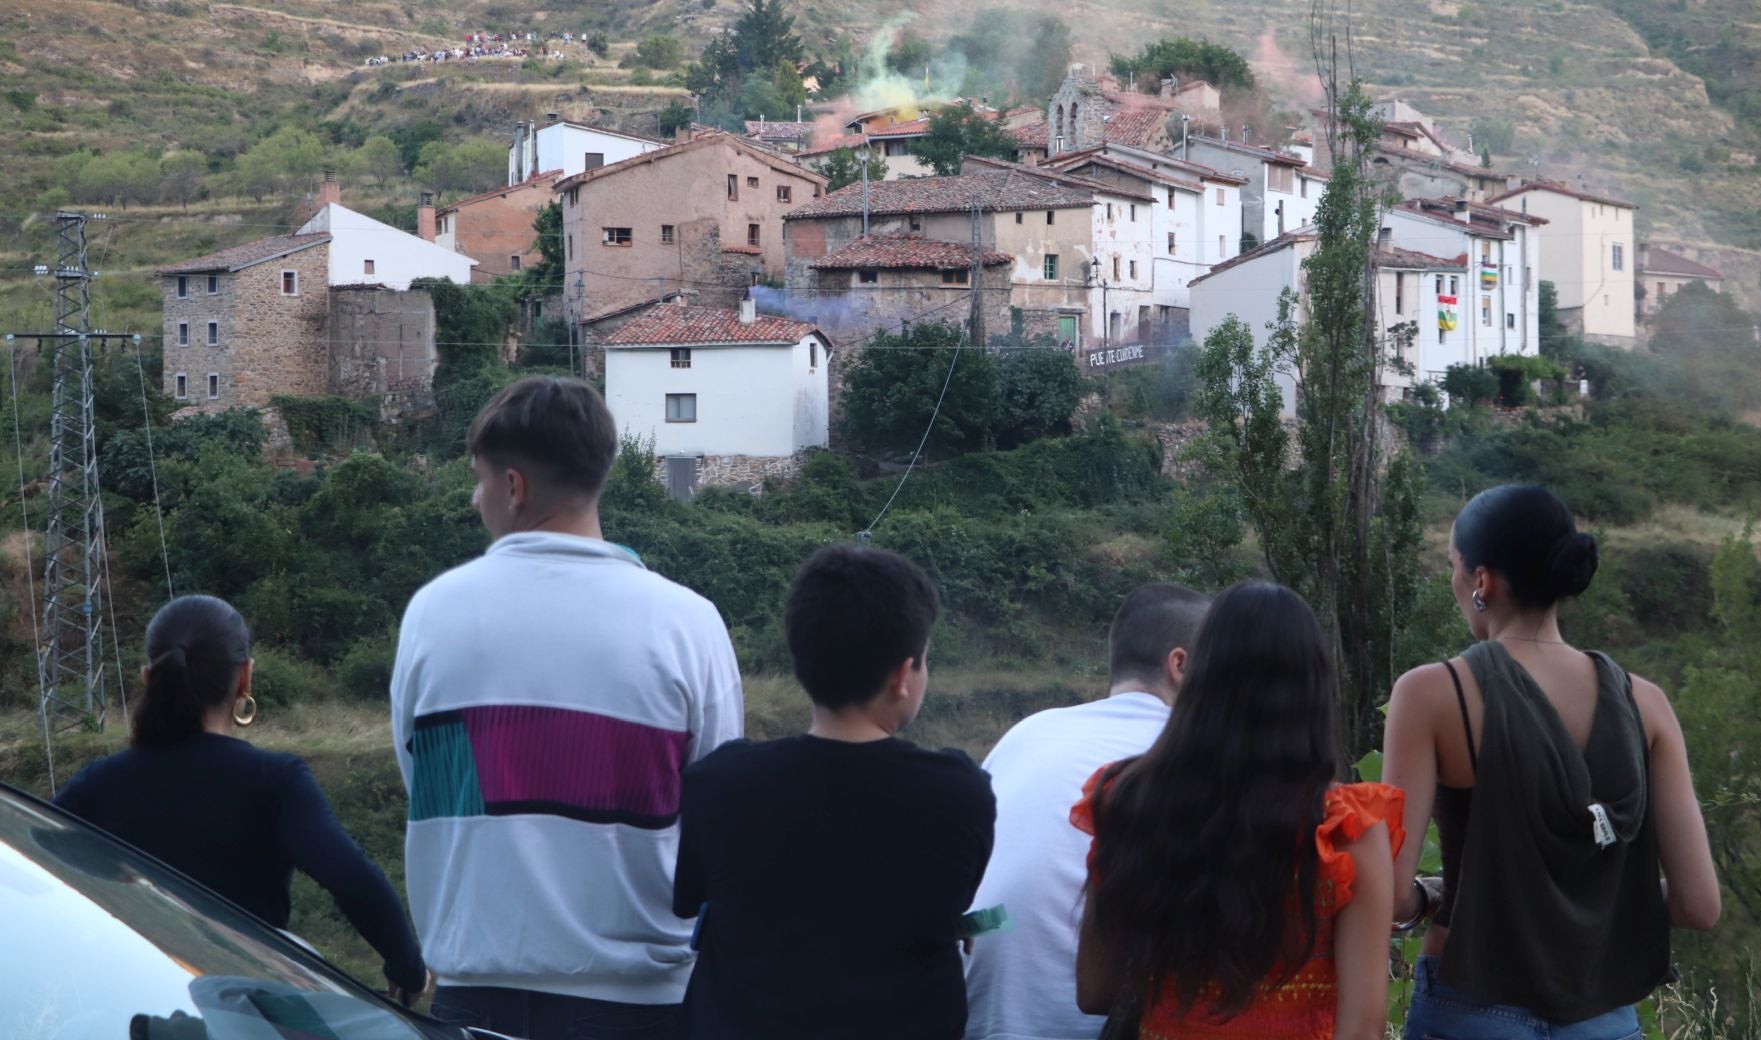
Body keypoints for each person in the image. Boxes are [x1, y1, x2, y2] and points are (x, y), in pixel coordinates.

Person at [392, 376, 744, 1040]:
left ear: (514, 486)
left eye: (480, 479)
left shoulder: (432, 614)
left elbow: (425, 788)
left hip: (475, 1003)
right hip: (646, 1006)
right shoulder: (689, 624)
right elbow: (716, 822)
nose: (477, 498)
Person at [1381, 484, 1720, 1039]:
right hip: (1603, 1020)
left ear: (1482, 581)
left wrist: (1425, 895)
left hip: (1469, 1007)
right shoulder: (1647, 705)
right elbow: (1699, 905)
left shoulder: (1433, 694)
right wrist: (1603, 906)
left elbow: (1390, 890)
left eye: (1453, 567)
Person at [673, 545, 995, 1040]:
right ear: (901, 676)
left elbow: (691, 899)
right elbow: (951, 903)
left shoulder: (719, 784)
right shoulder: (958, 793)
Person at [57, 595, 427, 1004]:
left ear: (149, 678)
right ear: (245, 678)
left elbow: (37, 863)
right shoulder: (276, 781)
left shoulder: (100, 783)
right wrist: (407, 968)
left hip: (132, 1010)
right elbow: (353, 879)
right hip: (240, 1016)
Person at [1074, 582, 1402, 1040]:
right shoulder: (1344, 830)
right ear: (1314, 690)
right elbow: (1363, 1030)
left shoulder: (1127, 802)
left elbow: (1095, 991)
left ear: (1199, 677)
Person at [964, 583, 1211, 1040]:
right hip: (1084, 1024)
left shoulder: (1029, 732)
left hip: (976, 1015)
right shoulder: (1181, 752)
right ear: (1180, 665)